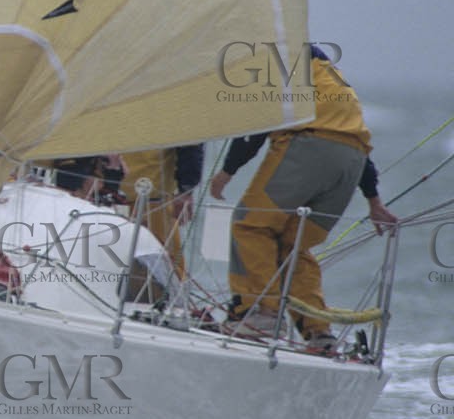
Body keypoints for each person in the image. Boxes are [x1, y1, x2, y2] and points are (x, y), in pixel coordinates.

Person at [208, 45, 397, 353]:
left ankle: (259, 315)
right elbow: (354, 138)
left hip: (309, 145)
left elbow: (259, 124)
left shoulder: (280, 58)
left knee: (251, 225)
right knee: (294, 244)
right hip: (352, 161)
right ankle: (319, 334)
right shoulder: (330, 77)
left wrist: (226, 172)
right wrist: (374, 201)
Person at [120, 145, 204, 278]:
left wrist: (186, 188)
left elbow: (190, 142)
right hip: (110, 192)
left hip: (151, 197)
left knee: (165, 265)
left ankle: (170, 294)